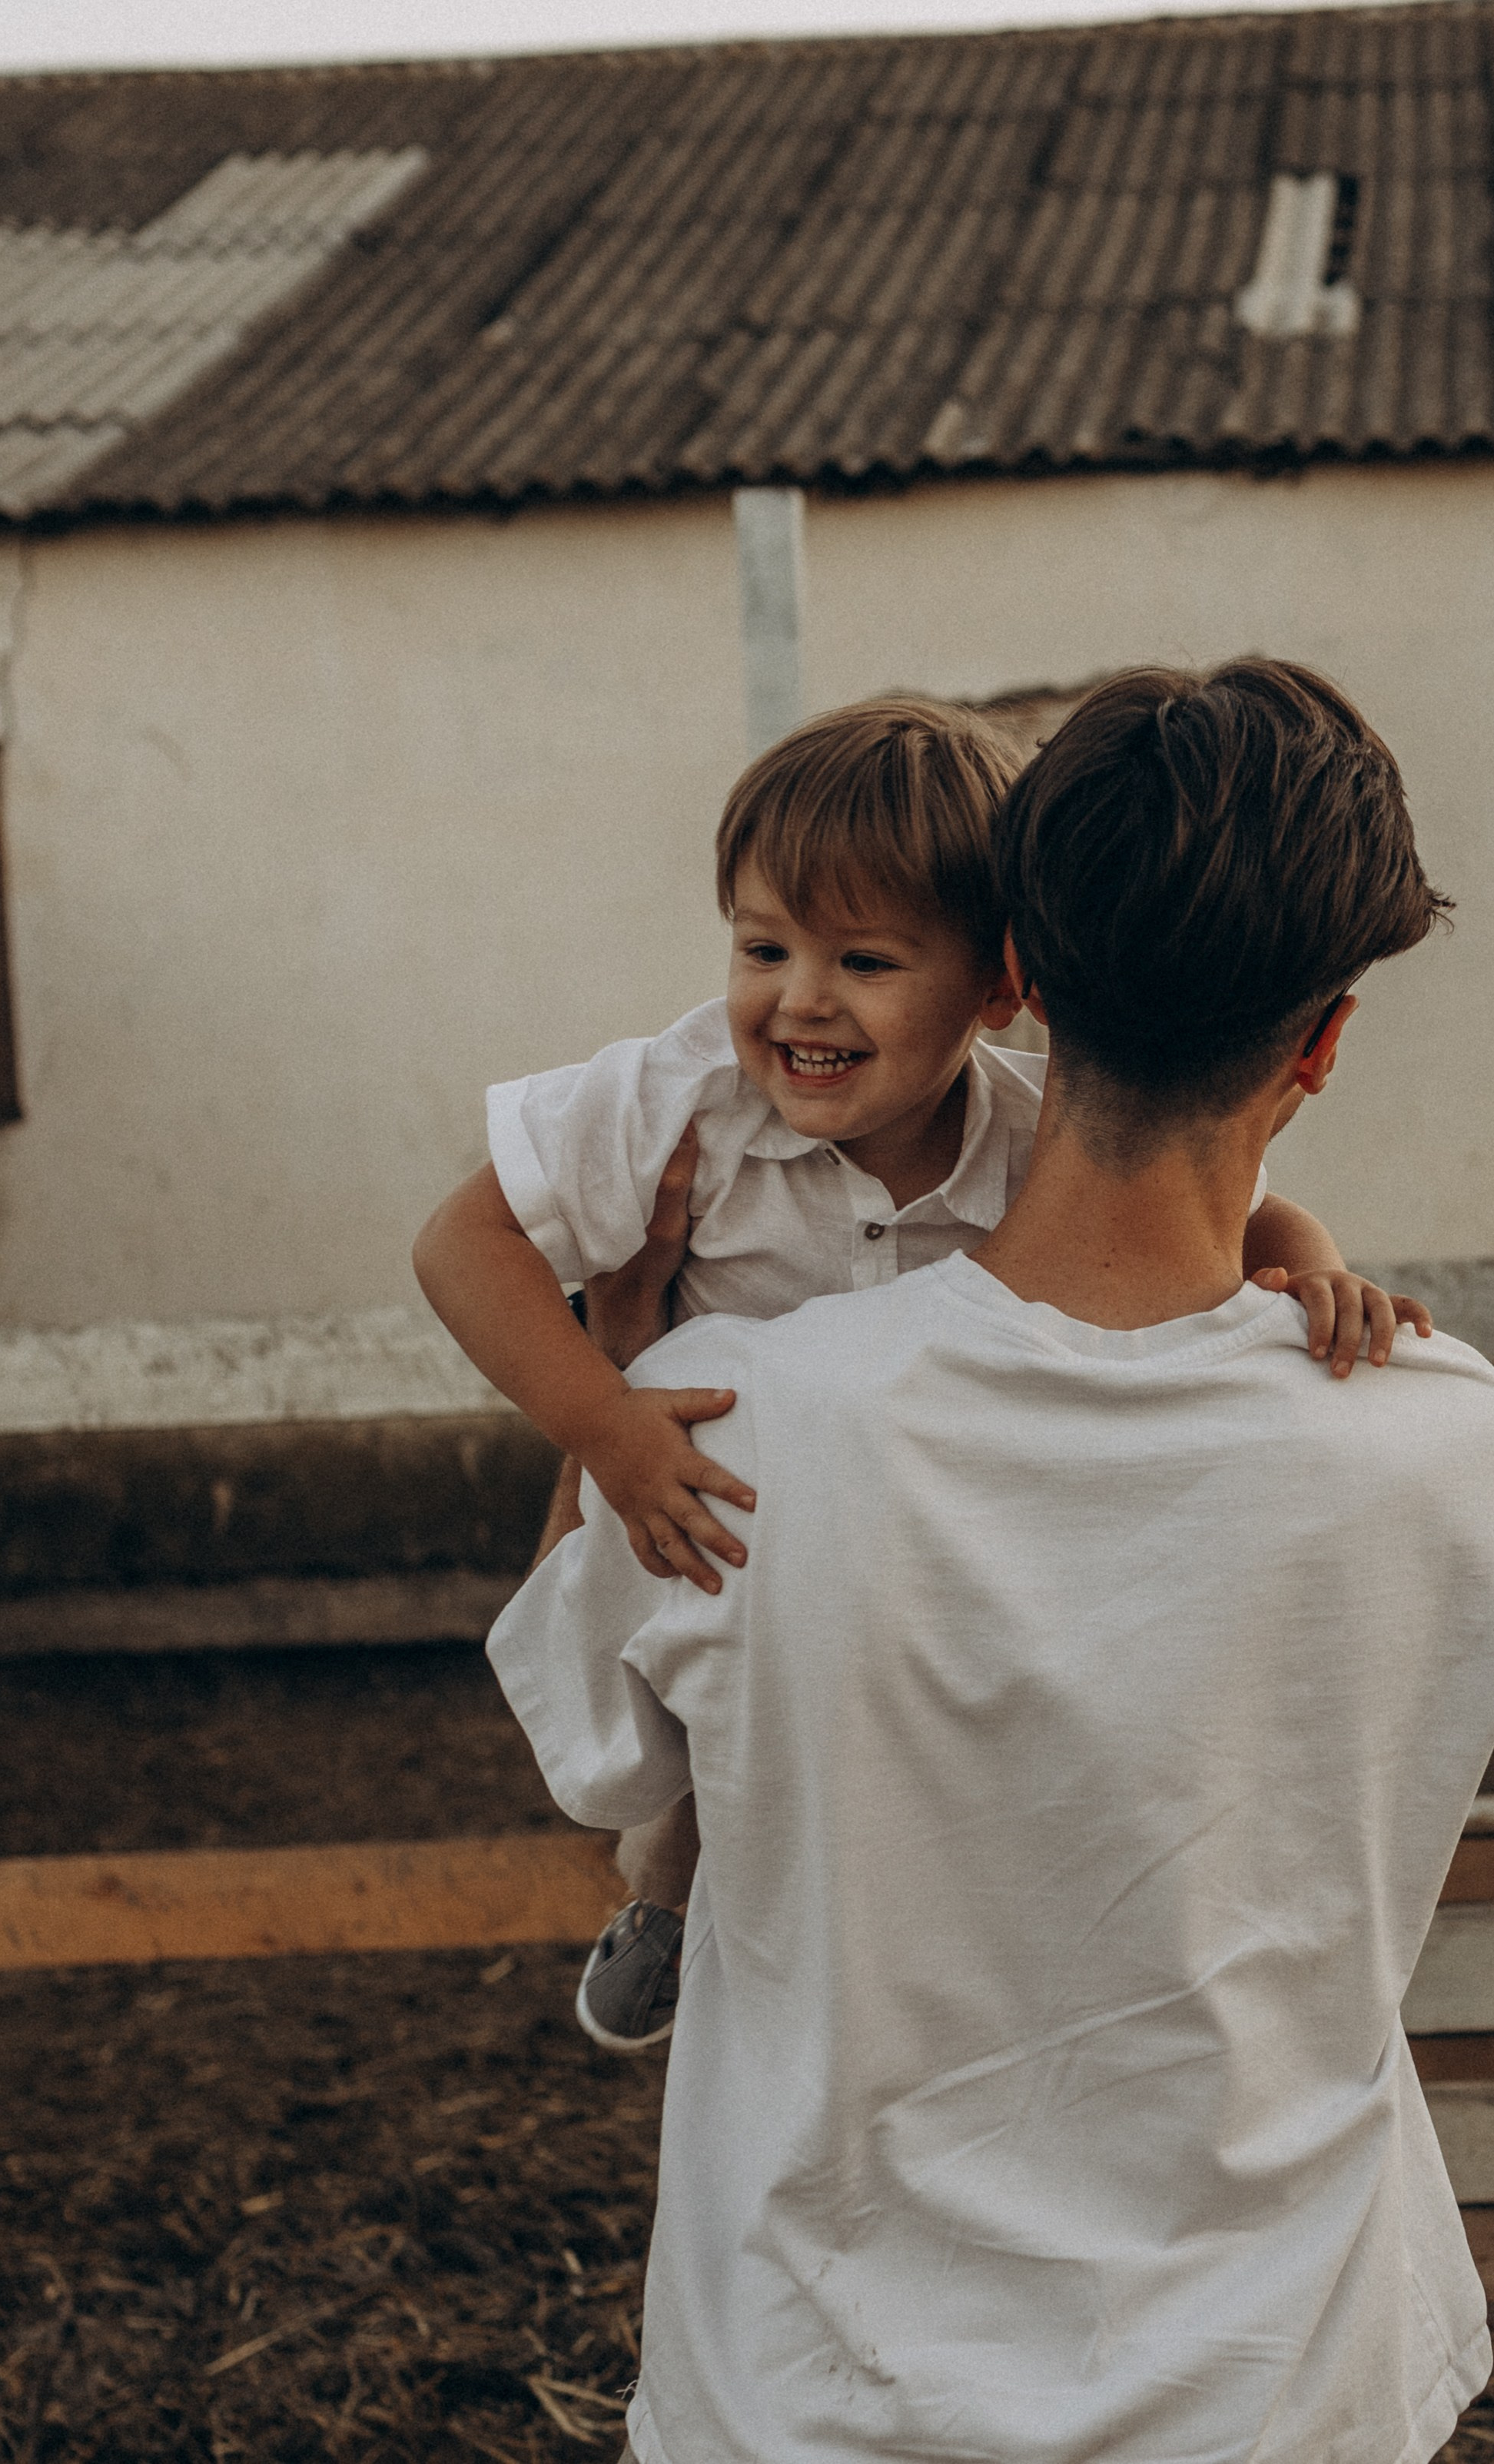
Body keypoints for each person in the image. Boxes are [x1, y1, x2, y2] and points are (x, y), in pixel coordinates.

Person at [485, 659, 1494, 2464]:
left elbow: (590, 1756)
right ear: (1320, 1041)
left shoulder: (736, 1431)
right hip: (1285, 2391)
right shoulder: (1449, 1443)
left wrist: (622, 1345)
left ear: (1015, 967)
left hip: (809, 2396)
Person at [413, 693, 1423, 2051]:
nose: (799, 998)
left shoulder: (1022, 1136)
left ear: (1002, 986)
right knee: (716, 1700)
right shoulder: (678, 1100)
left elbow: (1245, 1224)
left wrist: (1313, 1270)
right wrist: (607, 1418)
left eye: (867, 961)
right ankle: (666, 1896)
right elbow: (461, 1243)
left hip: (909, 1520)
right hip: (718, 1476)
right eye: (760, 944)